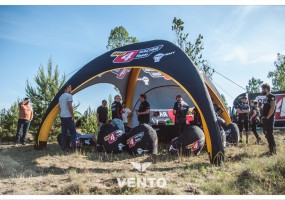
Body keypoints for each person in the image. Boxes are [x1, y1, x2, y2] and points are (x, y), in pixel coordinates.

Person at [59, 84, 77, 152]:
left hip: (62, 117)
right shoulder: (69, 96)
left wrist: (60, 115)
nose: (71, 89)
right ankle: (74, 149)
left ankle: (63, 148)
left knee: (63, 133)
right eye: (70, 88)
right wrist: (72, 115)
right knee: (73, 132)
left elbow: (60, 108)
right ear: (68, 88)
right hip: (68, 117)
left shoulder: (60, 97)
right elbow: (70, 106)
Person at [261, 83, 276, 155]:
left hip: (269, 119)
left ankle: (273, 151)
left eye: (263, 89)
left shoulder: (271, 96)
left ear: (266, 89)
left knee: (270, 134)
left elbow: (272, 108)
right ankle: (270, 148)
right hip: (265, 119)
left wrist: (267, 117)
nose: (262, 91)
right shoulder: (266, 97)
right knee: (266, 133)